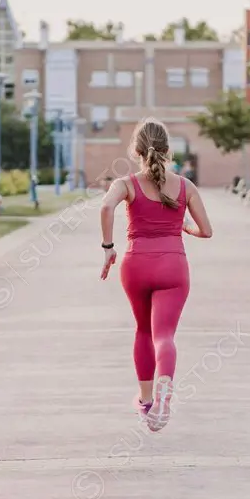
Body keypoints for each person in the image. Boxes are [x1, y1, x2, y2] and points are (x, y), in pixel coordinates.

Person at [99, 118, 213, 432]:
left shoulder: (125, 184)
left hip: (136, 265)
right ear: (167, 149)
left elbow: (106, 209)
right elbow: (207, 231)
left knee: (142, 331)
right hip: (173, 265)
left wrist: (108, 247)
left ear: (135, 150)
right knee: (164, 335)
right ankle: (165, 393)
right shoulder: (185, 186)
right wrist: (184, 228)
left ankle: (147, 401)